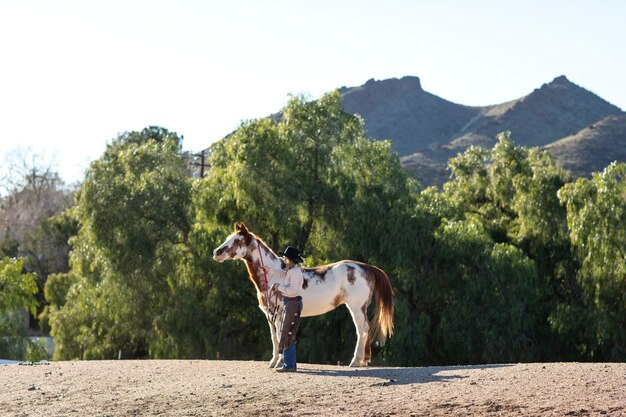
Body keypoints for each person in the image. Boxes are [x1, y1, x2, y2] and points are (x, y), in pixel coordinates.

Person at [268, 246, 304, 372]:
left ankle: (289, 365)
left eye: (285, 257)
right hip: (292, 303)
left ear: (289, 259)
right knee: (289, 333)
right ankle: (290, 364)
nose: (283, 259)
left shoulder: (294, 272)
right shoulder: (293, 271)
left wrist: (279, 287)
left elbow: (292, 291)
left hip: (292, 302)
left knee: (287, 333)